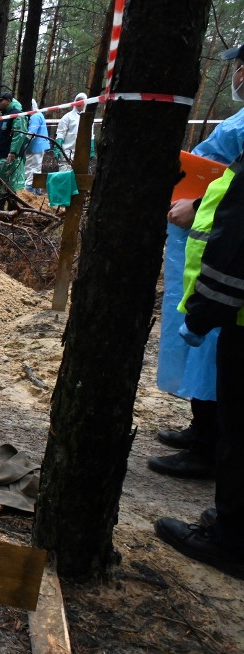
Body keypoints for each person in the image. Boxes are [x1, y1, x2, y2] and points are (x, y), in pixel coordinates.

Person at [151, 45, 244, 479]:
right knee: (203, 345)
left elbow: (238, 192)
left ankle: (209, 446)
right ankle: (201, 427)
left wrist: (200, 200)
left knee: (214, 347)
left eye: (242, 68)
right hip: (204, 248)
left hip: (227, 255)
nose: (238, 76)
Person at [154, 146, 244, 580]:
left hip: (235, 313)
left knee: (239, 428)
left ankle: (231, 538)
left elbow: (235, 243)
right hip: (233, 312)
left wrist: (207, 309)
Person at [0, 92, 28, 210]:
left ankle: (13, 210)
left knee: (10, 186)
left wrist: (13, 151)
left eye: (0, 101)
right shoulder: (3, 115)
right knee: (0, 184)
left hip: (11, 157)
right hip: (0, 155)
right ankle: (0, 209)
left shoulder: (17, 115)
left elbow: (19, 134)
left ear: (8, 100)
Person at [54, 92, 89, 167]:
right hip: (67, 153)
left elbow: (90, 134)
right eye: (78, 100)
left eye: (81, 100)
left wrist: (91, 149)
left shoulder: (87, 118)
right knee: (64, 175)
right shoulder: (67, 117)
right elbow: (60, 133)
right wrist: (57, 148)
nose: (79, 102)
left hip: (81, 154)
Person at [24, 99, 49, 195]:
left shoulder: (35, 116)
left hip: (34, 147)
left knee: (31, 168)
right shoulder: (39, 115)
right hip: (38, 146)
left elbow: (31, 133)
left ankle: (29, 190)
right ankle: (36, 189)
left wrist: (23, 143)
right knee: (37, 168)